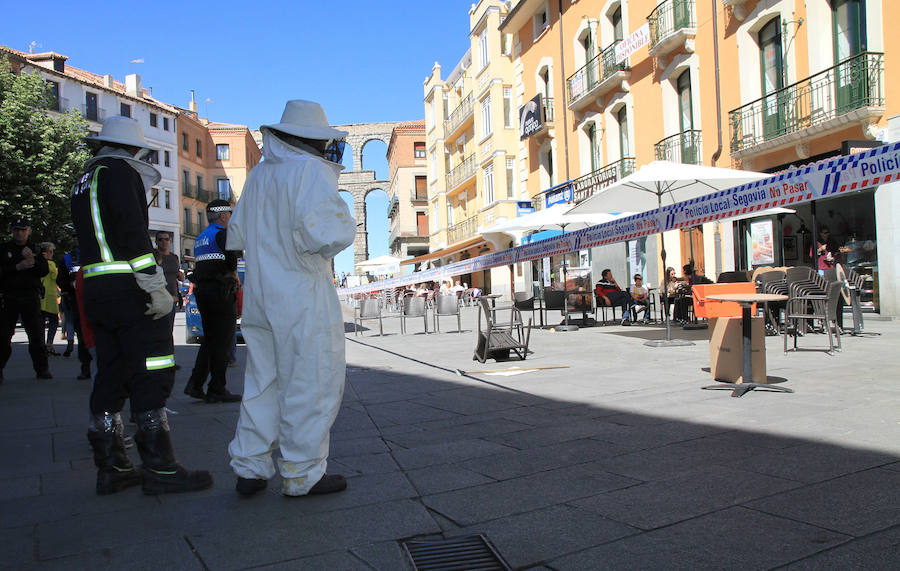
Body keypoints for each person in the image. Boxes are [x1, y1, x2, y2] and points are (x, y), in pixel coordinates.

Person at [71, 116, 211, 495]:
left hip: (96, 288)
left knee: (111, 372)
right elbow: (132, 233)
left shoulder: (84, 180)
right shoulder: (121, 173)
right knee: (152, 368)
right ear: (133, 150)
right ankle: (160, 468)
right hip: (127, 288)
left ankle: (112, 467)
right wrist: (153, 284)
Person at [226, 100, 356, 497]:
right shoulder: (310, 172)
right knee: (310, 381)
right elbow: (329, 236)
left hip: (261, 292)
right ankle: (303, 472)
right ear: (314, 140)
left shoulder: (258, 176)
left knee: (262, 380)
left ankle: (250, 466)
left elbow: (237, 235)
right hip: (302, 291)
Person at [183, 200, 242, 403]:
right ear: (223, 216)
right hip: (221, 292)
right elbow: (231, 262)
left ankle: (195, 384)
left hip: (203, 292)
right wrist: (234, 275)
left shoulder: (201, 237)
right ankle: (217, 388)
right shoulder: (223, 234)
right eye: (230, 214)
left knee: (210, 340)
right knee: (223, 341)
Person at [0, 218, 52, 380]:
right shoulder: (4, 249)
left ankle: (42, 369)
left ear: (28, 231)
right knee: (3, 336)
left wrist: (33, 261)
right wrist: (16, 267)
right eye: (16, 230)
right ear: (12, 231)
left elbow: (44, 270)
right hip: (9, 296)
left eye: (23, 230)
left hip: (30, 296)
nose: (20, 233)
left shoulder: (34, 249)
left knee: (36, 335)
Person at [56, 243, 92, 380]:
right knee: (83, 335)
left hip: (98, 301)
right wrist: (70, 285)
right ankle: (86, 368)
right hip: (77, 302)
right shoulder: (68, 259)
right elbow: (61, 280)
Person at [154, 231, 183, 334]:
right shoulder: (154, 257)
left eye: (166, 239)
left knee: (169, 330)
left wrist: (180, 276)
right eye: (161, 239)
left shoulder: (174, 257)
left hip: (173, 299)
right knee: (158, 330)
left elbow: (177, 276)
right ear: (156, 242)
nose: (164, 242)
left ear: (170, 241)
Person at [40, 242, 61, 355]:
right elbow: (55, 276)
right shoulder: (51, 264)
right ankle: (49, 344)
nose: (52, 254)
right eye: (50, 252)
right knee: (54, 321)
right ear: (45, 253)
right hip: (49, 296)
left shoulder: (36, 263)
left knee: (41, 322)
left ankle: (42, 345)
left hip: (39, 296)